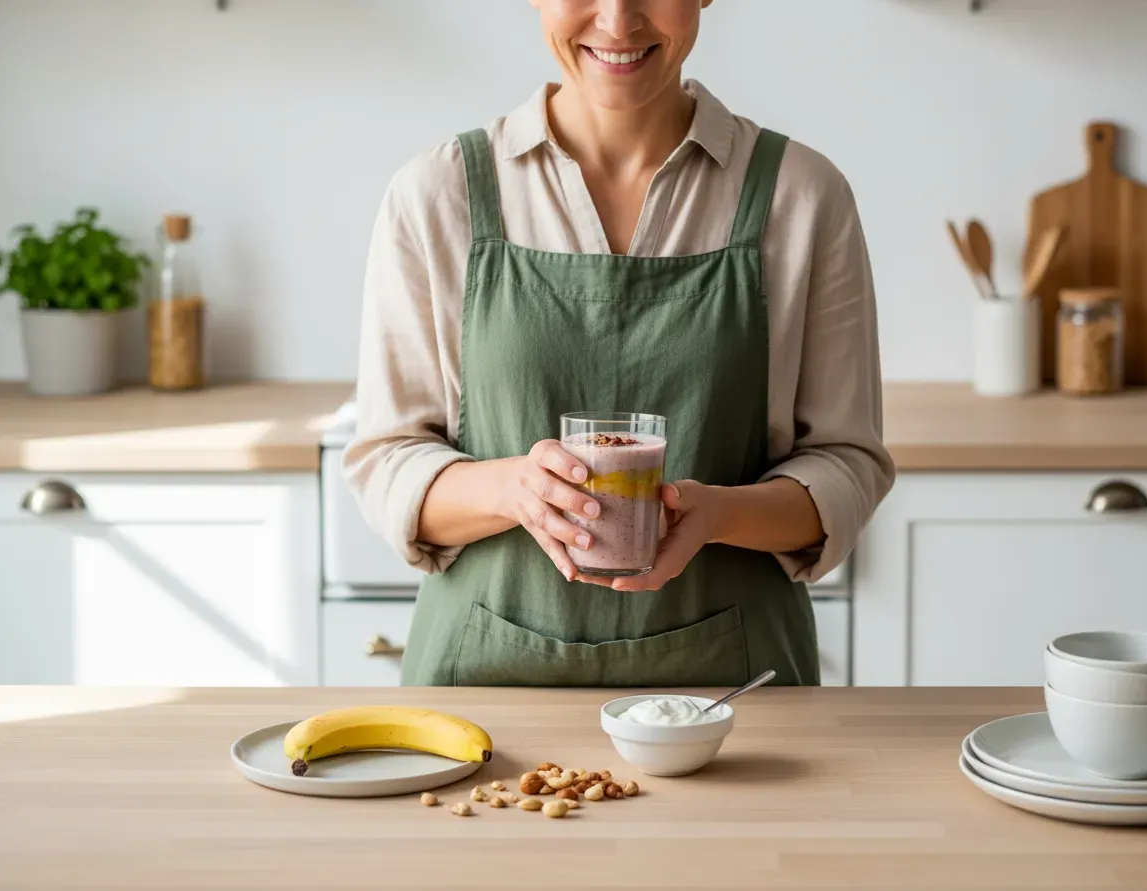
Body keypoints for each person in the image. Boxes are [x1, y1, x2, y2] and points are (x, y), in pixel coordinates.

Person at [343, 0, 896, 688]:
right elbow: (387, 459)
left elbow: (847, 462)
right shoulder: (436, 194)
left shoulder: (803, 196)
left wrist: (718, 514)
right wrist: (513, 490)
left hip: (736, 701)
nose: (617, 20)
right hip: (486, 696)